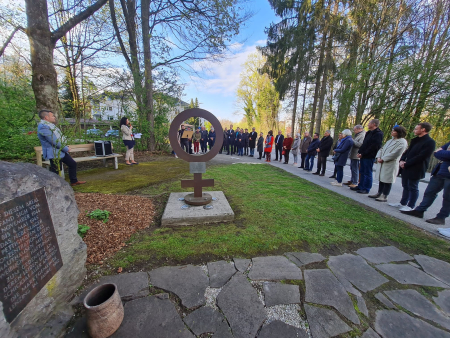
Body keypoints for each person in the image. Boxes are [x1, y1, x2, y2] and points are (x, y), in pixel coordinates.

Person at [388, 122, 436, 211]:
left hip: (417, 167)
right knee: (405, 185)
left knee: (413, 187)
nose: (414, 130)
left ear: (423, 130)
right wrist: (402, 160)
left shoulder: (430, 142)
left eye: (416, 129)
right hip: (406, 166)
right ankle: (403, 202)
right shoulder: (415, 140)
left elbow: (422, 156)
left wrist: (407, 163)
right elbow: (407, 151)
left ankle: (410, 205)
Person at [401, 142, 450, 225]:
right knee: (429, 192)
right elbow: (436, 153)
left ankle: (441, 217)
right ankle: (419, 211)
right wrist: (443, 153)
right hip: (440, 172)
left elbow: (442, 153)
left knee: (448, 198)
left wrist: (443, 153)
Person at [37, 110, 86, 186]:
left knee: (72, 163)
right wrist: (65, 148)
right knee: (56, 169)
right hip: (54, 152)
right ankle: (55, 185)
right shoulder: (43, 127)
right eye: (52, 116)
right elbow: (53, 141)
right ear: (46, 117)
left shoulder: (50, 125)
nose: (54, 117)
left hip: (60, 151)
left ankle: (73, 181)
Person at [368, 125, 408, 201]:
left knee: (387, 180)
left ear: (398, 132)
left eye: (394, 131)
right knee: (382, 178)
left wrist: (383, 159)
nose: (392, 132)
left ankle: (385, 195)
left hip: (390, 163)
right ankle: (379, 192)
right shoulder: (390, 140)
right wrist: (379, 157)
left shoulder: (402, 142)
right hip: (382, 162)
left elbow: (396, 153)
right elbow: (381, 149)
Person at [350, 119, 383, 194]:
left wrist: (364, 153)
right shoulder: (368, 133)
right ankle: (360, 185)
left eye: (369, 123)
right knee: (362, 171)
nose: (368, 125)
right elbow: (364, 144)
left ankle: (366, 188)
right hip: (363, 155)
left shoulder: (378, 134)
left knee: (367, 172)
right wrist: (360, 152)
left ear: (374, 124)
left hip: (369, 156)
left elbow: (374, 146)